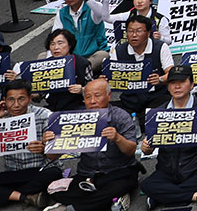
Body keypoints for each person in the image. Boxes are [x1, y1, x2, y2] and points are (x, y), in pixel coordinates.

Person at [41, 79, 140, 211]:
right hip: (88, 174)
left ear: (109, 96)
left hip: (118, 171)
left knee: (121, 185)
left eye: (97, 96)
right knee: (55, 192)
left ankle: (72, 209)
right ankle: (112, 200)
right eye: (88, 97)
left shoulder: (120, 116)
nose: (92, 101)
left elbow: (131, 150)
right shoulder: (74, 119)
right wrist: (49, 142)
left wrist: (117, 138)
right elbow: (52, 156)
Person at [138, 66, 197, 209]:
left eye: (182, 82)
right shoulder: (158, 112)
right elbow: (150, 147)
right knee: (146, 185)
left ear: (192, 84)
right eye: (172, 82)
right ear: (168, 86)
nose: (177, 86)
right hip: (168, 168)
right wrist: (146, 148)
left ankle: (162, 197)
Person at [0, 79, 61, 209]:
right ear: (4, 100)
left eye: (21, 99)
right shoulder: (1, 118)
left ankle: (4, 196)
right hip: (14, 173)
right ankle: (25, 197)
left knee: (54, 173)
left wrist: (44, 149)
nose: (16, 105)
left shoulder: (45, 115)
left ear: (30, 98)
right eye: (11, 100)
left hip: (40, 170)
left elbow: (54, 157)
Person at [109, 14, 174, 121]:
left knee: (165, 106)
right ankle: (137, 121)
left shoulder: (160, 47)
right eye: (130, 31)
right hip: (130, 99)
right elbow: (111, 76)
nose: (134, 35)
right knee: (108, 110)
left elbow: (171, 73)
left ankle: (136, 121)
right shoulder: (118, 50)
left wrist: (160, 79)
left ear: (148, 33)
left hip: (156, 96)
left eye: (139, 31)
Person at [51, 0, 109, 72]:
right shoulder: (61, 13)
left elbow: (101, 13)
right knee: (42, 56)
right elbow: (55, 37)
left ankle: (75, 72)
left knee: (103, 55)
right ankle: (73, 71)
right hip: (70, 58)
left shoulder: (92, 8)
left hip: (92, 56)